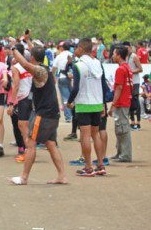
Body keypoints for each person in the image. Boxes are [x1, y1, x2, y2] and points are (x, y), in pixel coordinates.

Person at [9, 46, 67, 185]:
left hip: (44, 114)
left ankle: (24, 177)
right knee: (51, 143)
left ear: (33, 58)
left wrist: (15, 49)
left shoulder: (40, 71)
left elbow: (24, 64)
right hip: (52, 113)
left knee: (31, 143)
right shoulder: (45, 69)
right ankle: (62, 176)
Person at [66, 38, 106, 176]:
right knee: (96, 135)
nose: (75, 50)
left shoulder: (78, 65)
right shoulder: (97, 63)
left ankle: (88, 167)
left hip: (84, 103)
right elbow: (103, 85)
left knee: (85, 136)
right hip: (97, 103)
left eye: (76, 48)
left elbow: (76, 88)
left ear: (81, 48)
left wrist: (69, 101)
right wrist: (103, 103)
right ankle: (100, 165)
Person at [7, 44, 33, 163]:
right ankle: (30, 152)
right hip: (33, 98)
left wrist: (11, 103)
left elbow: (16, 86)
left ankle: (28, 152)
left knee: (23, 126)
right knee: (29, 126)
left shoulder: (16, 67)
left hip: (23, 99)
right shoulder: (30, 66)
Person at [109, 46, 133, 163]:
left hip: (121, 102)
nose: (113, 56)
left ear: (119, 55)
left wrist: (113, 104)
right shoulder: (127, 68)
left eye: (114, 54)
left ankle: (125, 155)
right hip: (125, 100)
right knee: (121, 127)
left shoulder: (120, 69)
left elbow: (119, 87)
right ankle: (120, 152)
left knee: (122, 128)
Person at [52, 41, 73, 123]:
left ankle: (68, 117)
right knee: (72, 96)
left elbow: (53, 69)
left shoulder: (59, 56)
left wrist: (53, 79)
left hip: (62, 77)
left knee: (65, 97)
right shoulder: (72, 55)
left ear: (62, 48)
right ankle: (74, 114)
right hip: (71, 78)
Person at [126, 43, 143, 130]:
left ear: (130, 47)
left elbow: (140, 69)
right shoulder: (125, 57)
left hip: (135, 82)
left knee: (135, 101)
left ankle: (138, 122)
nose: (127, 49)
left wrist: (130, 72)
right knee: (129, 101)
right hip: (128, 83)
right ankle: (132, 122)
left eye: (128, 48)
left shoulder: (134, 56)